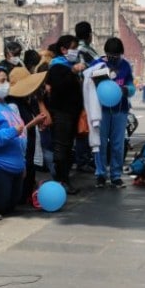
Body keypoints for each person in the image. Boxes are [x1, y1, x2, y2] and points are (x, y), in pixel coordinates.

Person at [0, 66, 45, 214]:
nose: (6, 84)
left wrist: (22, 163)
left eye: (7, 80)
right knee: (1, 208)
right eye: (2, 81)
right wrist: (11, 132)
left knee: (10, 208)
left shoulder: (5, 105)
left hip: (16, 169)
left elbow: (20, 136)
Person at [82, 37, 136, 188]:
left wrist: (125, 89)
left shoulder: (125, 66)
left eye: (116, 55)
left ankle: (116, 175)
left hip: (120, 110)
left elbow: (131, 87)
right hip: (101, 111)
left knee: (118, 144)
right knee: (100, 144)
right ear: (105, 53)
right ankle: (100, 174)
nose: (113, 58)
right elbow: (87, 82)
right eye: (110, 55)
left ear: (121, 54)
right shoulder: (98, 65)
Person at [44, 34, 86, 194]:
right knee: (61, 147)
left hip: (72, 112)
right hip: (61, 113)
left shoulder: (70, 65)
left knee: (68, 146)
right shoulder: (57, 66)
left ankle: (65, 178)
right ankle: (61, 179)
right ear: (63, 49)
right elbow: (60, 87)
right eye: (73, 48)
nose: (75, 51)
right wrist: (72, 72)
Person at [8, 65, 51, 204]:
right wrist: (35, 121)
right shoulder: (13, 105)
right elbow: (16, 130)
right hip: (22, 151)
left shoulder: (26, 102)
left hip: (30, 149)